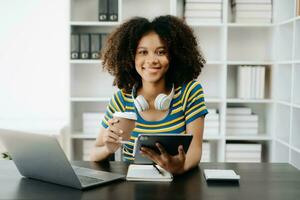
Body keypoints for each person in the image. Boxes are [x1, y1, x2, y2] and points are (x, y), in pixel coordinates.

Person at [90, 15, 208, 175]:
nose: (152, 60)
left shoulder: (189, 92)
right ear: (131, 57)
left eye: (161, 52)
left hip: (177, 184)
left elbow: (195, 150)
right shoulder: (121, 100)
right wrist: (108, 148)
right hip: (132, 186)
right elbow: (94, 154)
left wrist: (180, 167)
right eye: (143, 52)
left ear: (173, 56)